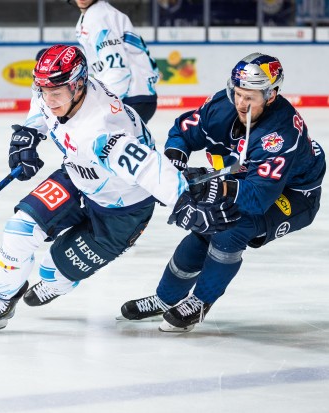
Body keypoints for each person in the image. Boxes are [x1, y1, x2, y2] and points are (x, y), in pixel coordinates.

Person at [0, 45, 240, 335]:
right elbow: (42, 98)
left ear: (79, 85)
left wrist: (182, 202)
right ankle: (1, 301)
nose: (49, 99)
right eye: (44, 90)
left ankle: (58, 281)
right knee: (19, 230)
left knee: (51, 272)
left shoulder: (102, 131)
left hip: (122, 211)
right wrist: (30, 132)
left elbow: (147, 166)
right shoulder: (61, 89)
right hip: (78, 177)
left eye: (56, 92)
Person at [119, 52, 325, 333]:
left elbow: (258, 198)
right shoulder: (221, 106)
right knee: (205, 226)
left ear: (271, 95)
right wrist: (175, 158)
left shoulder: (280, 134)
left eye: (250, 97)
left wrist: (212, 185)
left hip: (294, 193)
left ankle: (201, 302)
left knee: (232, 226)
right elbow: (183, 130)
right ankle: (165, 298)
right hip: (247, 175)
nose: (241, 103)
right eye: (238, 93)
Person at [70, 0, 159, 123]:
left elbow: (118, 70)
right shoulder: (90, 16)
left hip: (131, 98)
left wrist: (105, 104)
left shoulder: (99, 17)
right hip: (137, 96)